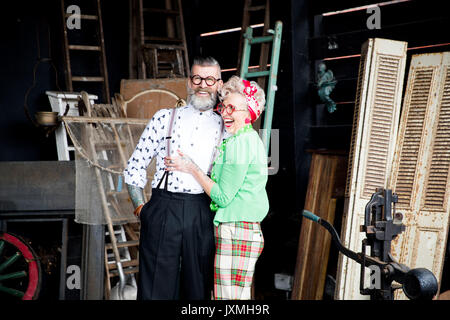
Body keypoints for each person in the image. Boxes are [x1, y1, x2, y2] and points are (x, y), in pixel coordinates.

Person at [123, 56, 227, 300]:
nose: (203, 85)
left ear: (219, 84)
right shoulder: (164, 118)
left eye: (210, 79)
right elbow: (135, 166)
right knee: (155, 289)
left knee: (197, 288)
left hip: (202, 211)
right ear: (189, 82)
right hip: (163, 208)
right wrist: (141, 209)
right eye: (198, 78)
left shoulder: (225, 125)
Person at [165, 75, 269, 300]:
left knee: (228, 301)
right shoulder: (244, 139)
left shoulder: (241, 143)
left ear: (249, 112)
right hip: (241, 229)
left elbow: (222, 196)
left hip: (236, 230)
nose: (225, 113)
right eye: (224, 106)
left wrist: (191, 168)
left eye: (233, 108)